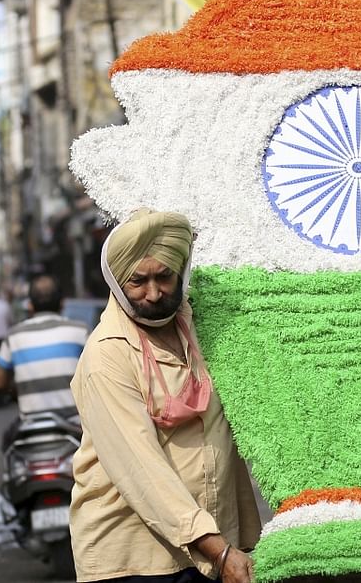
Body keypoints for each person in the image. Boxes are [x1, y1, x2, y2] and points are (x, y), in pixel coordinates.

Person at [69, 208, 260, 583]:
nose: (153, 294)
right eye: (137, 281)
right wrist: (219, 551)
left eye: (164, 277)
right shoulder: (107, 355)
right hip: (133, 559)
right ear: (116, 280)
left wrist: (239, 539)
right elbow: (142, 469)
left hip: (210, 548)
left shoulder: (202, 330)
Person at [0, 274, 89, 449]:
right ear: (62, 303)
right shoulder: (80, 331)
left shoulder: (13, 336)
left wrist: (16, 391)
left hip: (30, 429)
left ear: (30, 305)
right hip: (76, 431)